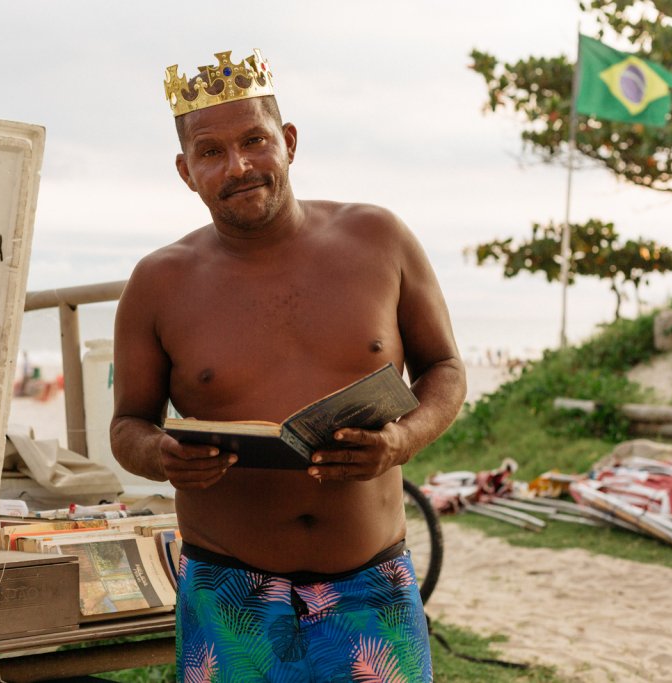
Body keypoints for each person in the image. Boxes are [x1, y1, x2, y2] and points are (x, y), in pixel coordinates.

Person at [110, 49, 466, 682]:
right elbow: (129, 424)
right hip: (229, 595)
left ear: (289, 141)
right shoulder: (158, 283)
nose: (239, 166)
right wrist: (162, 456)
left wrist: (403, 439)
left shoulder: (379, 239)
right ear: (186, 171)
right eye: (211, 151)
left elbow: (444, 368)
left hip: (371, 582)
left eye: (255, 140)